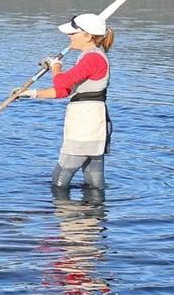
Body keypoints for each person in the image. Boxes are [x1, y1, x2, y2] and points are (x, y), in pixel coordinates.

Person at [28, 12, 114, 193]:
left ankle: (62, 214)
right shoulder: (89, 56)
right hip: (91, 120)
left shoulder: (93, 58)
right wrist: (31, 93)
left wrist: (56, 66)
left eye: (73, 33)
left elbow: (61, 81)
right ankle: (94, 218)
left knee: (61, 175)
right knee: (94, 180)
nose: (69, 37)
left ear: (87, 35)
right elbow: (64, 91)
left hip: (87, 123)